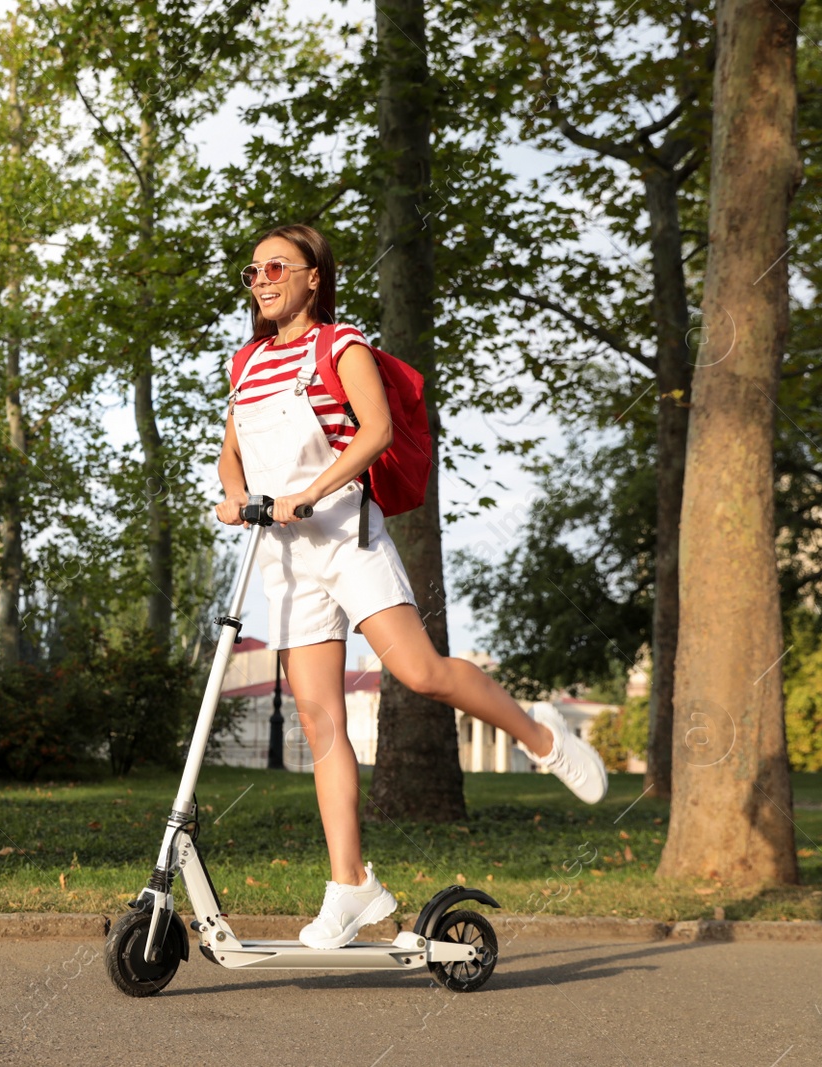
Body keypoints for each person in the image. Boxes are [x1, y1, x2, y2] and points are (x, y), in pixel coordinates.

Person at [213, 223, 608, 950]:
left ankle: (543, 738)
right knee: (322, 721)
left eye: (278, 266)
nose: (263, 278)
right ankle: (351, 885)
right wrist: (234, 495)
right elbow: (231, 453)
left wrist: (309, 490)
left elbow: (377, 431)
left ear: (313, 279)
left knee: (419, 672)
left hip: (344, 536)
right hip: (285, 555)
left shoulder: (342, 345)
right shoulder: (245, 364)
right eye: (252, 270)